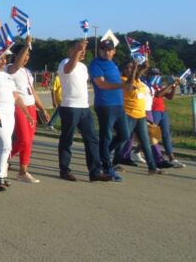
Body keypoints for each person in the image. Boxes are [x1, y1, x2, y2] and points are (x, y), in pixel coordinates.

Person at [57, 40, 112, 182]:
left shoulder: (82, 67)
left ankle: (95, 172)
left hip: (84, 107)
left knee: (92, 139)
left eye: (83, 50)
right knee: (67, 139)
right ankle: (64, 170)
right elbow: (68, 69)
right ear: (71, 50)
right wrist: (77, 50)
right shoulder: (64, 62)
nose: (82, 52)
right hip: (70, 107)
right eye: (78, 49)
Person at [0, 51, 33, 191]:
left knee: (4, 146)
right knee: (5, 144)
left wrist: (26, 113)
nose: (4, 61)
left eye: (5, 58)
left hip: (9, 115)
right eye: (1, 58)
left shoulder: (7, 76)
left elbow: (17, 97)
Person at [6, 37, 50, 183]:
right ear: (16, 56)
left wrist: (42, 109)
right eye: (24, 55)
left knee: (29, 141)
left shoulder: (27, 72)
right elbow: (16, 65)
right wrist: (26, 45)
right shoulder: (10, 69)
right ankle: (4, 159)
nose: (26, 58)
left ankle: (23, 171)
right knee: (24, 140)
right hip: (19, 107)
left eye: (28, 55)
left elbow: (33, 91)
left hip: (31, 108)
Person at [89, 39, 130, 182]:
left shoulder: (113, 64)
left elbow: (116, 81)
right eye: (103, 49)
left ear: (114, 51)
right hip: (105, 105)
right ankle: (107, 167)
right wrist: (122, 86)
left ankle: (102, 156)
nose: (106, 52)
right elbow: (101, 84)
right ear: (99, 51)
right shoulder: (96, 64)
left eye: (109, 49)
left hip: (118, 105)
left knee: (124, 135)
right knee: (105, 136)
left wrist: (126, 84)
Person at [116, 60, 163, 175]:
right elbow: (129, 85)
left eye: (131, 68)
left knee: (145, 141)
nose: (129, 70)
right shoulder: (122, 80)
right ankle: (114, 163)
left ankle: (152, 167)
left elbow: (136, 77)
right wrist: (136, 69)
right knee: (122, 139)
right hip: (129, 114)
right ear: (122, 70)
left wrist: (141, 69)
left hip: (141, 115)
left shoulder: (138, 80)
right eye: (126, 68)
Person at [148, 69, 184, 167]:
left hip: (162, 111)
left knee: (166, 135)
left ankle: (172, 158)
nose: (156, 76)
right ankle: (141, 153)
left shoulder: (158, 86)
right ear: (149, 75)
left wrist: (173, 87)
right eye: (154, 74)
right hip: (153, 111)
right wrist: (170, 84)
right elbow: (158, 94)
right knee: (153, 135)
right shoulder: (148, 85)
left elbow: (169, 97)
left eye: (158, 74)